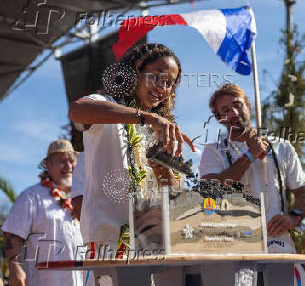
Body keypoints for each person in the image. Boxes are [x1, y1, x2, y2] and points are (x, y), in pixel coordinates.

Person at [69, 43, 195, 285]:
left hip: (154, 251)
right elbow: (78, 110)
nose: (163, 87)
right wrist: (146, 117)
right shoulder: (105, 103)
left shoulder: (164, 130)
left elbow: (177, 197)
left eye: (170, 83)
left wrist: (165, 173)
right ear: (135, 72)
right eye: (157, 76)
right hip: (109, 244)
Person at [198, 83, 305, 285]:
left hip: (278, 246)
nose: (233, 112)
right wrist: (249, 155)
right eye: (225, 110)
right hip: (234, 249)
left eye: (237, 104)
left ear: (248, 105)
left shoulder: (282, 147)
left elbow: (303, 194)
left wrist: (293, 217)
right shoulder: (213, 151)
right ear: (219, 118)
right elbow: (211, 190)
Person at [2, 140, 84, 286]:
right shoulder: (31, 196)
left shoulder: (82, 199)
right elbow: (12, 235)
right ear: (48, 165)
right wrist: (15, 269)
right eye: (62, 161)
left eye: (72, 160)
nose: (68, 166)